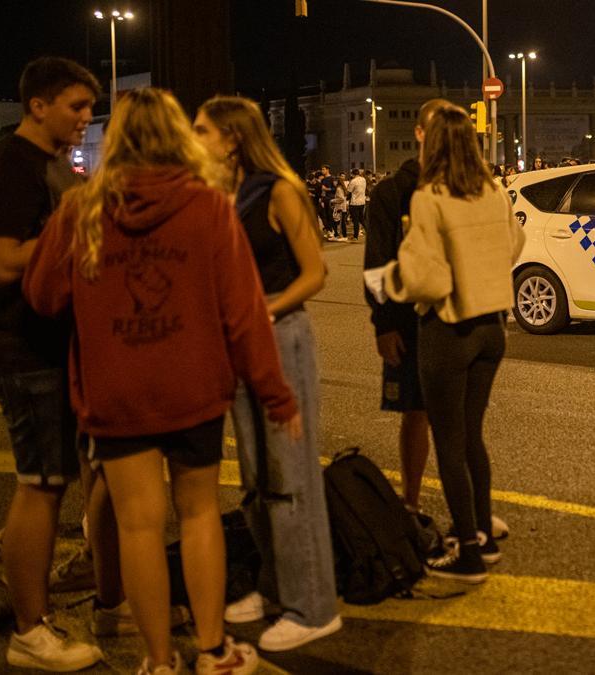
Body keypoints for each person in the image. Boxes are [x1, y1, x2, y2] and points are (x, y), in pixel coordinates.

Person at [23, 87, 297, 675]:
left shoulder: (81, 209)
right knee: (198, 514)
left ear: (115, 140)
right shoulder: (208, 207)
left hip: (115, 391)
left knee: (138, 525)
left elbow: (44, 295)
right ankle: (212, 650)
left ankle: (157, 660)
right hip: (194, 387)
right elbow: (244, 313)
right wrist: (275, 394)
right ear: (176, 137)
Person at [193, 96, 341, 652]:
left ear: (232, 137)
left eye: (202, 130)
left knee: (292, 475)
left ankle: (314, 605)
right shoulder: (221, 196)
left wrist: (262, 311)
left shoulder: (278, 190)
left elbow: (315, 272)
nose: (195, 138)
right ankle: (276, 583)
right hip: (238, 339)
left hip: (280, 334)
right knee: (256, 476)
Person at [381, 104, 525, 583]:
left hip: (448, 329)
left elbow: (423, 278)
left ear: (432, 142)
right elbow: (515, 246)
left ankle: (465, 551)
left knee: (448, 442)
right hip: (492, 329)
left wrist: (396, 279)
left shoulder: (431, 196)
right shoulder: (493, 191)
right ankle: (482, 535)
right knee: (472, 437)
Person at [0, 56, 105, 673]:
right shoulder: (14, 165)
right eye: (76, 106)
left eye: (90, 108)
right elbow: (4, 260)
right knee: (40, 485)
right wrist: (76, 227)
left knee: (52, 480)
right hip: (25, 345)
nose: (86, 118)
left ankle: (34, 617)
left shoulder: (52, 165)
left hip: (53, 343)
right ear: (38, 106)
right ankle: (29, 632)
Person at [363, 99, 448, 514]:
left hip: (456, 322)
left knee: (457, 421)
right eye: (435, 128)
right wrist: (383, 324)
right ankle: (411, 503)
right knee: (414, 413)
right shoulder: (391, 193)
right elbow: (376, 264)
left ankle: (468, 514)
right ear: (418, 133)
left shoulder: (464, 189)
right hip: (409, 324)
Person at [347, 169, 367, 240]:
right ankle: (369, 232)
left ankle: (355, 236)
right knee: (361, 219)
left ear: (352, 174)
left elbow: (349, 191)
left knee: (355, 220)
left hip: (354, 203)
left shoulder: (353, 181)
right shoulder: (363, 179)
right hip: (362, 202)